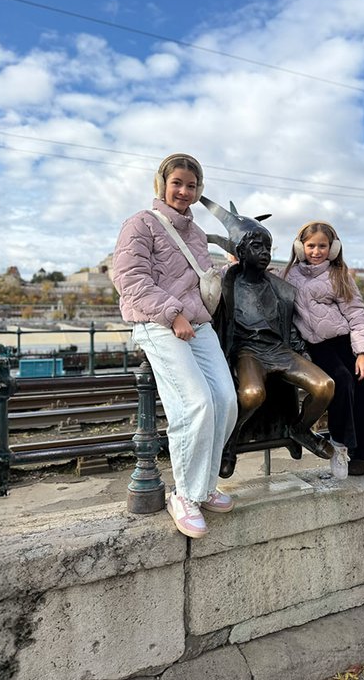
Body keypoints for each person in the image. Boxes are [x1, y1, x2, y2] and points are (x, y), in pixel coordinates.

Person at [112, 153, 238, 538]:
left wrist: (225, 270)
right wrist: (172, 314)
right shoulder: (141, 224)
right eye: (177, 183)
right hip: (158, 322)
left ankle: (203, 487)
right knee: (194, 403)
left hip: (196, 323)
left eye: (192, 186)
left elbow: (194, 280)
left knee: (226, 400)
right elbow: (129, 278)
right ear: (162, 185)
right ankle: (183, 495)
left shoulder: (197, 234)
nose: (184, 191)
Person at [198, 196, 335, 477]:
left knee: (325, 386)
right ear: (241, 250)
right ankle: (229, 441)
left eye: (268, 247)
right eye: (257, 246)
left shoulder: (279, 287)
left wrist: (302, 353)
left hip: (280, 350)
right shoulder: (225, 284)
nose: (265, 253)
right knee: (252, 393)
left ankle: (299, 430)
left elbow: (291, 325)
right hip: (248, 352)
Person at [283, 221, 364, 502]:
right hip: (315, 348)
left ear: (333, 249)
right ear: (300, 247)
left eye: (322, 246)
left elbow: (357, 315)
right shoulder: (288, 275)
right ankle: (340, 444)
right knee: (340, 382)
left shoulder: (338, 275)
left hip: (343, 343)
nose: (316, 251)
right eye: (311, 246)